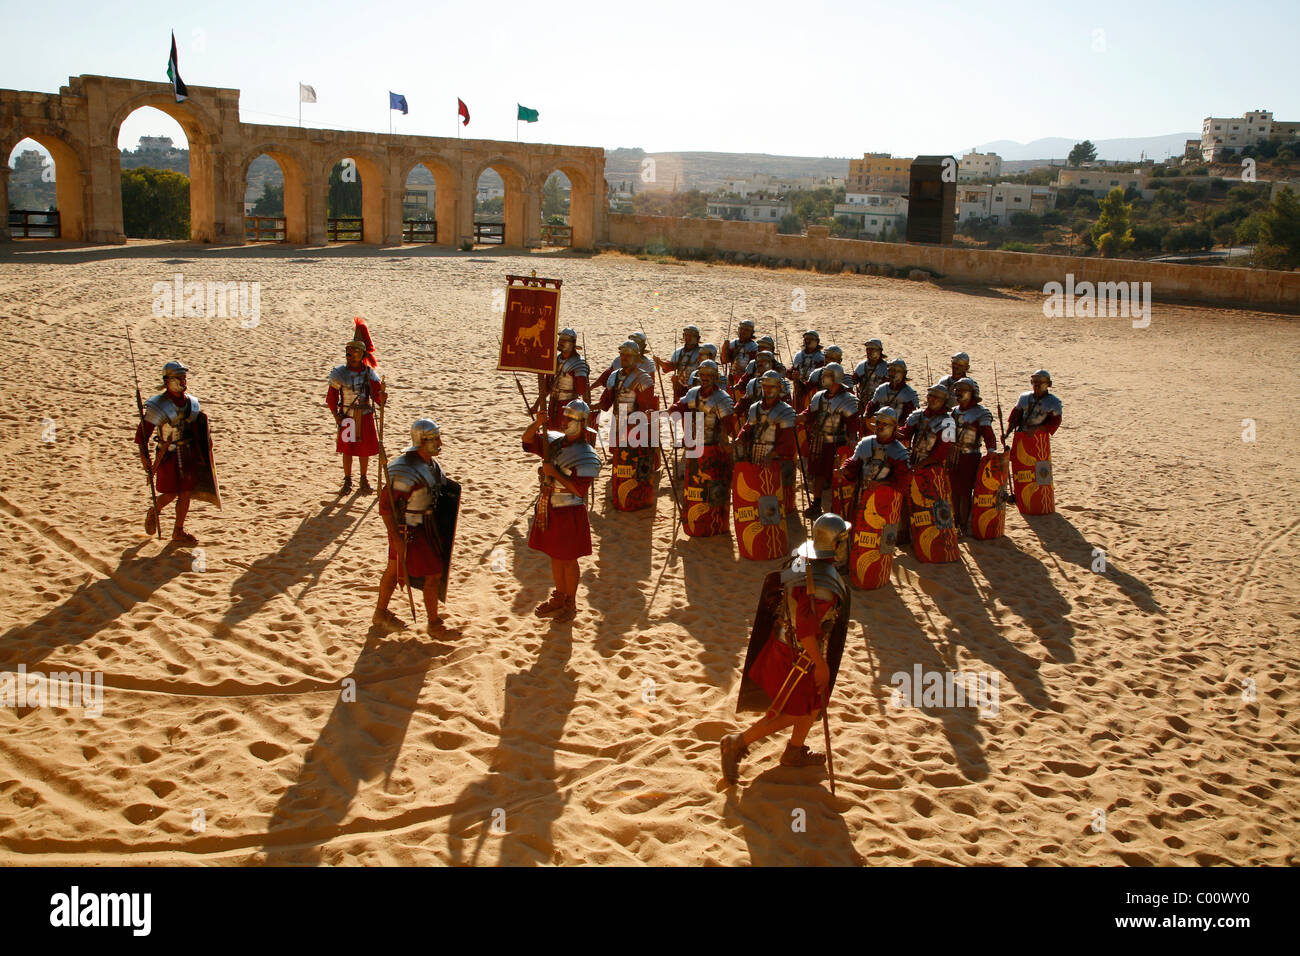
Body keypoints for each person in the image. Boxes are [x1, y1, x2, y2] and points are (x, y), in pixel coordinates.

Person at [721, 513, 851, 785]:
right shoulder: (824, 585)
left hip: (792, 647)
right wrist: (821, 664)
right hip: (798, 655)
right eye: (843, 540)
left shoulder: (801, 563)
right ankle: (736, 743)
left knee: (814, 703)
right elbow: (805, 629)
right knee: (792, 711)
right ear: (834, 544)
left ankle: (794, 751)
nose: (846, 545)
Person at [522, 400, 601, 622]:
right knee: (555, 556)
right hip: (550, 507)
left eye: (570, 419)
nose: (564, 422)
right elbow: (527, 440)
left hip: (569, 510)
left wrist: (554, 473)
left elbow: (579, 489)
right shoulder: (554, 442)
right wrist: (537, 422)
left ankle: (571, 603)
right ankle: (559, 596)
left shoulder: (586, 454)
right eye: (564, 417)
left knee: (568, 560)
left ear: (582, 423)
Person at [376, 419, 453, 634]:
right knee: (432, 575)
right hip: (409, 532)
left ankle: (380, 613)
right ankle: (434, 624)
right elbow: (385, 507)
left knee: (396, 572)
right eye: (436, 439)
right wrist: (396, 537)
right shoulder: (404, 470)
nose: (440, 443)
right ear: (422, 441)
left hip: (427, 528)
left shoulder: (433, 465)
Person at [135, 360, 218, 546]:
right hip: (168, 456)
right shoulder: (159, 404)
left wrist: (206, 447)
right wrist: (144, 456)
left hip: (187, 453)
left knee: (186, 493)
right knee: (170, 494)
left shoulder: (191, 402)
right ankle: (154, 511)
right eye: (179, 377)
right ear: (168, 381)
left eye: (184, 377)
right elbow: (142, 434)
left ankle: (178, 531)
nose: (183, 381)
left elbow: (198, 427)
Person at [799, 363, 860, 518]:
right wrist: (799, 417)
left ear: (836, 379)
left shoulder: (848, 399)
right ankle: (817, 504)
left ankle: (837, 507)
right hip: (819, 441)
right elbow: (810, 414)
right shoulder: (819, 396)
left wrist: (852, 439)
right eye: (824, 375)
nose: (823, 378)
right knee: (818, 475)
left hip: (837, 443)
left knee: (837, 476)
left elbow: (852, 424)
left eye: (827, 375)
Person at [327, 338, 386, 496]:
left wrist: (382, 396)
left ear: (362, 354)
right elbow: (331, 398)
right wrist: (336, 416)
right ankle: (347, 480)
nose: (350, 354)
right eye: (349, 350)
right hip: (347, 416)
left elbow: (376, 395)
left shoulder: (369, 373)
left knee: (364, 450)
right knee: (348, 449)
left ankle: (364, 478)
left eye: (355, 351)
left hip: (365, 416)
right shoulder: (339, 373)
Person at [947, 378, 998, 536]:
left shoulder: (980, 413)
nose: (958, 392)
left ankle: (964, 524)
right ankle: (956, 521)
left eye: (963, 389)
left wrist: (991, 451)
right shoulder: (953, 412)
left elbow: (989, 436)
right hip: (953, 455)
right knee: (954, 490)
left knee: (965, 490)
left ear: (972, 392)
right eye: (957, 389)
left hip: (970, 456)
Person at [737, 370, 798, 499]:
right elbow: (748, 427)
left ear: (779, 387)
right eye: (765, 386)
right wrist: (739, 438)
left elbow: (787, 444)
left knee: (776, 497)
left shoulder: (786, 411)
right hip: (756, 455)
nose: (767, 389)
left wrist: (771, 455)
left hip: (777, 461)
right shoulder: (755, 408)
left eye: (771, 386)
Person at [839, 408, 911, 497]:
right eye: (878, 423)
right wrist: (845, 469)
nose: (880, 426)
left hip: (885, 500)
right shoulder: (865, 443)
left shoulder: (899, 452)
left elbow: (902, 483)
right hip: (861, 496)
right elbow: (854, 462)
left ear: (893, 427)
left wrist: (881, 483)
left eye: (884, 424)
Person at [539, 327, 589, 429]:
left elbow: (582, 390)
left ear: (572, 343)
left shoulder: (578, 363)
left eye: (564, 340)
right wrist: (537, 405)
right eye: (560, 339)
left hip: (569, 405)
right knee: (551, 434)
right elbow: (547, 387)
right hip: (553, 404)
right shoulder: (555, 360)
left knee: (565, 433)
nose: (560, 342)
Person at [1007, 369, 1063, 437]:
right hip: (1021, 434)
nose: (1037, 385)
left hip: (1040, 438)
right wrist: (1007, 433)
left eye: (1041, 382)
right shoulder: (1024, 397)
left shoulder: (1053, 402)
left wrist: (1037, 428)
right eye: (1035, 381)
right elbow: (1014, 418)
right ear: (1031, 382)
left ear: (1048, 384)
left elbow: (1055, 423)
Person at [655, 325, 703, 402]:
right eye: (686, 335)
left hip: (697, 386)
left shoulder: (702, 352)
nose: (688, 338)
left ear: (697, 338)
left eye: (691, 336)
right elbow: (670, 367)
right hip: (680, 387)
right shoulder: (678, 352)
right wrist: (660, 362)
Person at [787, 330, 825, 412]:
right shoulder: (799, 355)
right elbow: (793, 370)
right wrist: (791, 374)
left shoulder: (820, 357)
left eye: (811, 339)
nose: (808, 341)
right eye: (806, 339)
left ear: (817, 341)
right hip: (798, 388)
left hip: (812, 388)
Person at [721, 318, 759, 387]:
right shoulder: (733, 344)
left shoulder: (754, 347)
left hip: (747, 378)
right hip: (733, 377)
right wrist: (724, 348)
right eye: (741, 329)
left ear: (751, 332)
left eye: (747, 330)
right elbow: (724, 360)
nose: (743, 332)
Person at [852, 338, 890, 409]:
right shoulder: (861, 365)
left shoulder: (886, 368)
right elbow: (852, 381)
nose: (869, 352)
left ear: (879, 351)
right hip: (863, 403)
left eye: (872, 349)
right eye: (868, 349)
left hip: (880, 404)